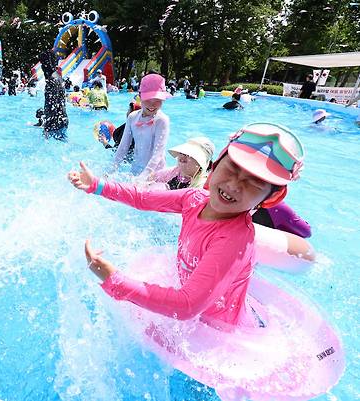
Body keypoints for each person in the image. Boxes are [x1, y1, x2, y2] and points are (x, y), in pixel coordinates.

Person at [69, 122, 305, 329]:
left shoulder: (234, 242)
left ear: (270, 199)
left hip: (223, 328)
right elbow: (142, 198)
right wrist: (98, 186)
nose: (234, 185)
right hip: (208, 301)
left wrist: (114, 280)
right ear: (214, 167)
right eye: (232, 169)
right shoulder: (193, 199)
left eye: (254, 183)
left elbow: (187, 306)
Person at [113, 74, 171, 177]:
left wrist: (144, 176)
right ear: (140, 96)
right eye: (148, 99)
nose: (152, 105)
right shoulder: (132, 117)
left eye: (157, 100)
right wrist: (112, 168)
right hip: (136, 169)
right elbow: (123, 147)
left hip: (155, 172)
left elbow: (158, 152)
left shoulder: (162, 120)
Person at [147, 137, 215, 190]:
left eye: (189, 155)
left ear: (200, 163)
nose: (183, 156)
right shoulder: (174, 172)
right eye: (182, 153)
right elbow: (151, 178)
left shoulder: (202, 184)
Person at [39, 50, 69, 141]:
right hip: (61, 122)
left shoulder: (52, 80)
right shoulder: (57, 78)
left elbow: (53, 106)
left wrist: (47, 127)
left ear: (48, 64)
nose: (42, 67)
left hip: (55, 125)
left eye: (43, 64)